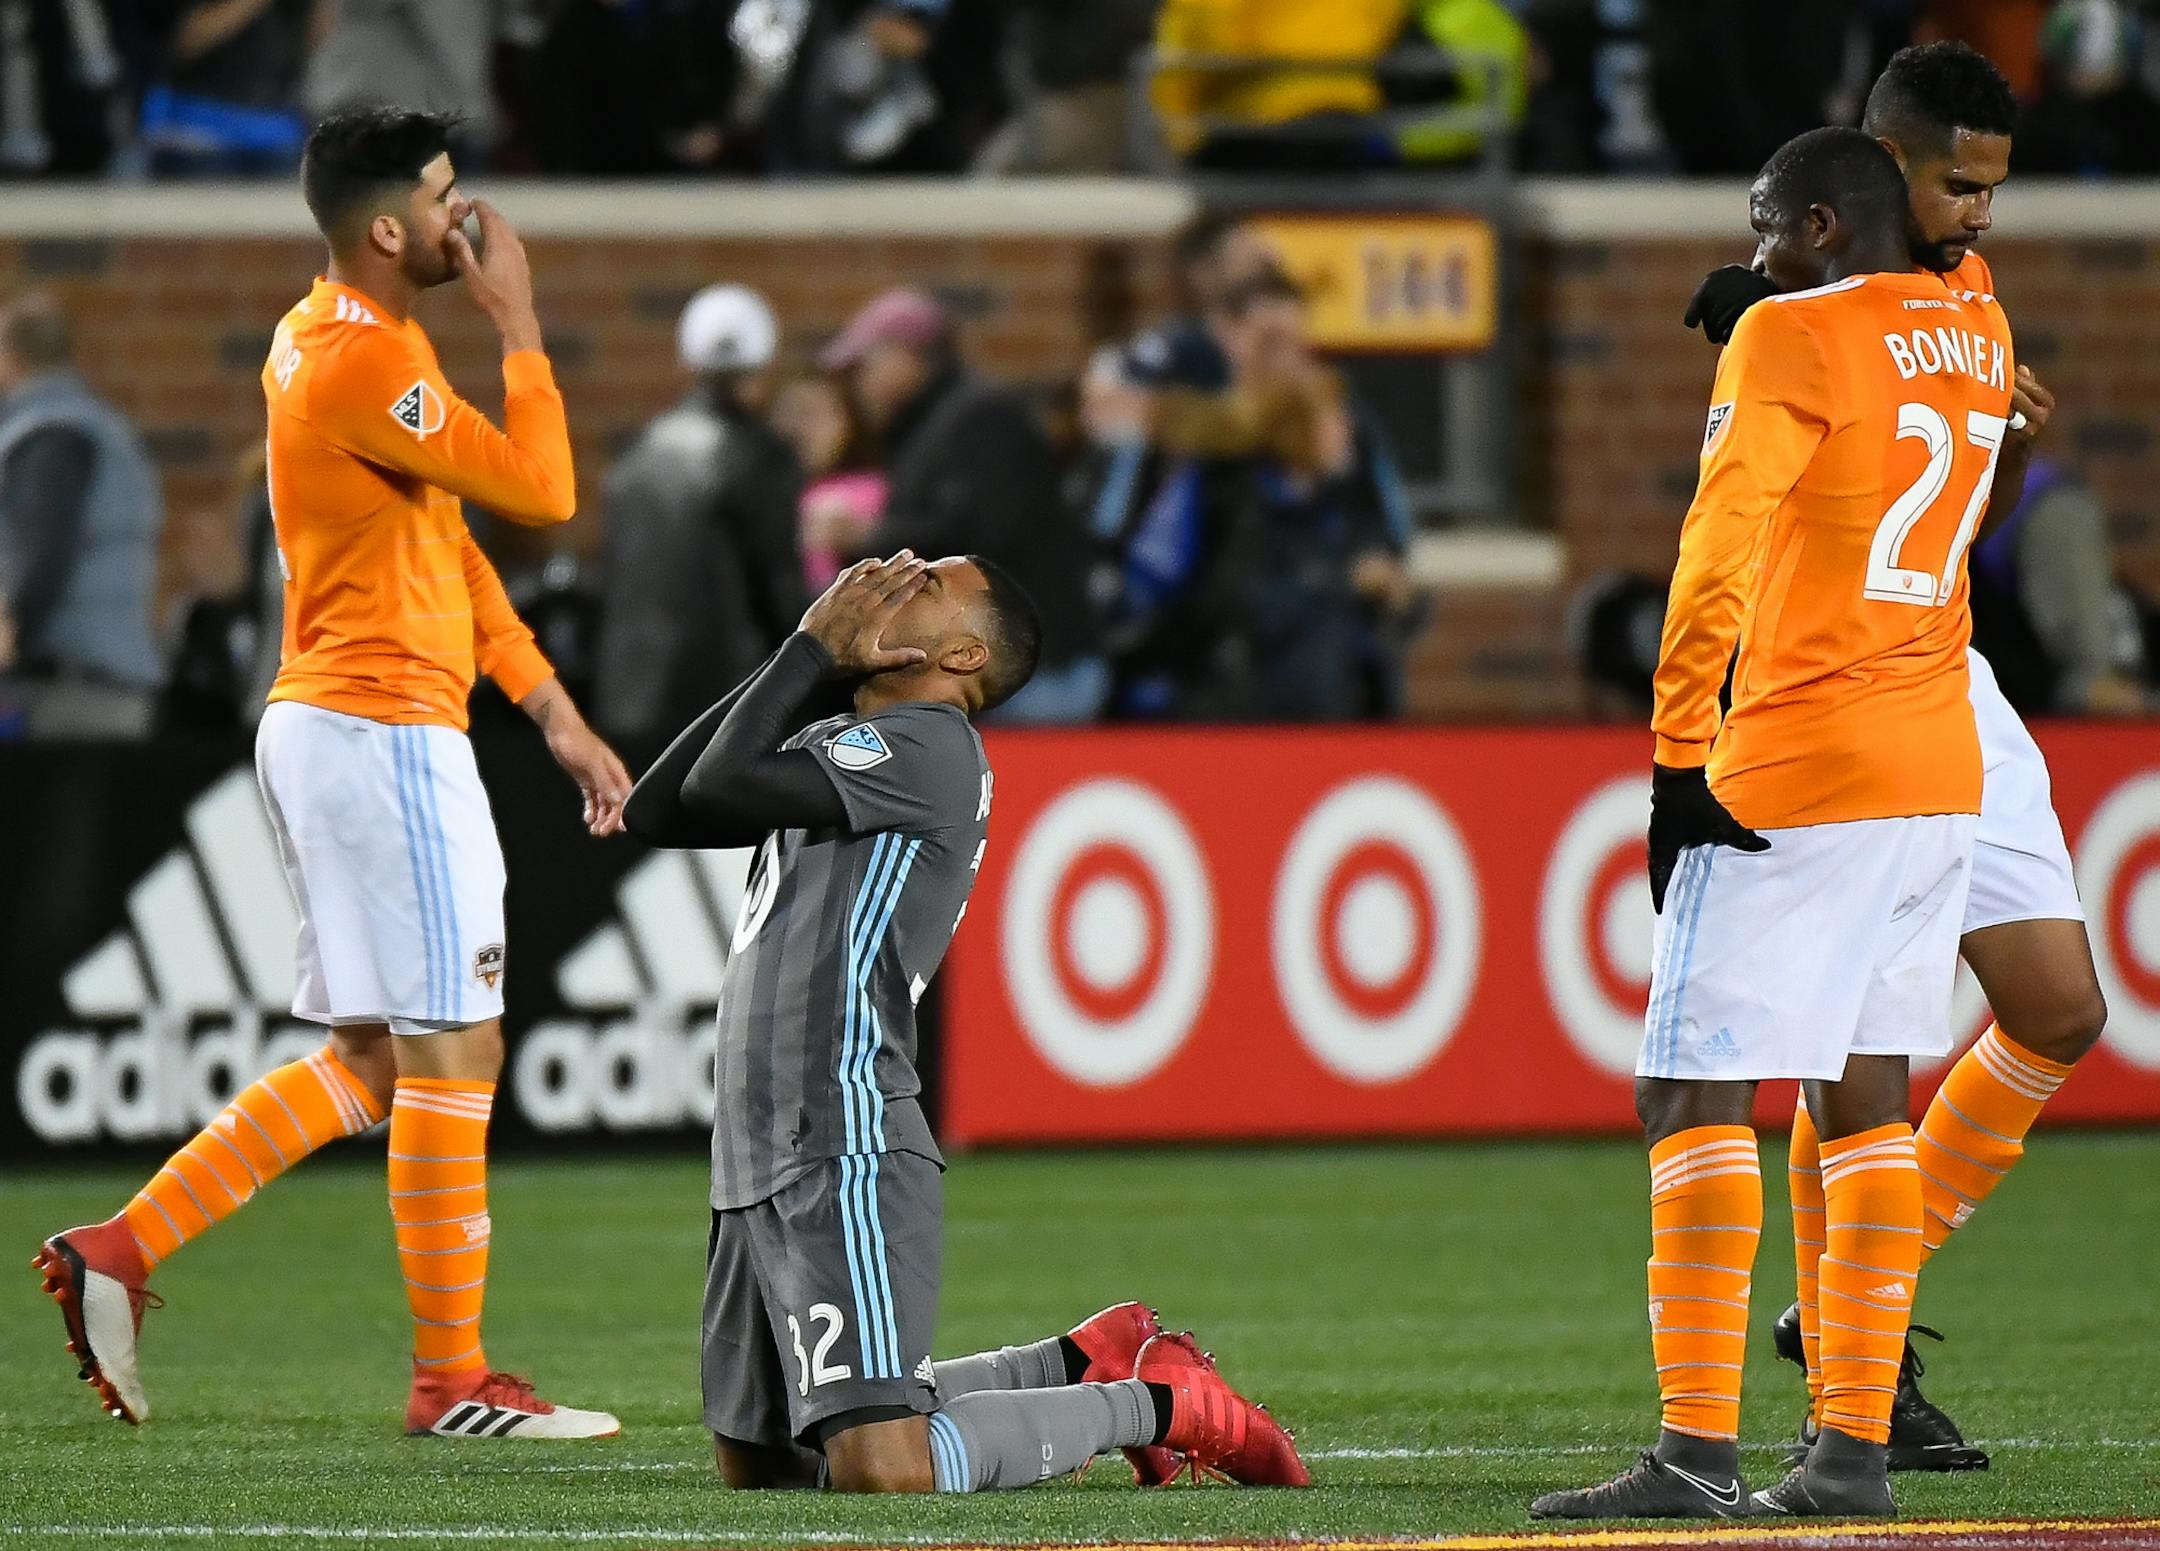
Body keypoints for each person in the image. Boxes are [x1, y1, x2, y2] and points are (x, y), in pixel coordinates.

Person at [32, 106, 633, 1441]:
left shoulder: (361, 344)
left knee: (374, 1056)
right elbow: (543, 491)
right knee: (456, 1042)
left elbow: (456, 545)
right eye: (444, 198)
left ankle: (121, 1248)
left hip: (352, 724)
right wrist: (521, 324)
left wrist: (548, 706)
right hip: (381, 734)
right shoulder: (359, 359)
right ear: (385, 229)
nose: (464, 220)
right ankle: (454, 1379)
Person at [1532, 126, 2016, 1521]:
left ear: (1817, 224)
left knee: (1688, 1089)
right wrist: (1789, 300)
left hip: (1798, 765)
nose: (1747, 254)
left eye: (1763, 227)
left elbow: (1716, 551)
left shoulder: (1787, 342)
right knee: (1866, 1099)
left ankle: (1694, 1454)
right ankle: (1853, 1450)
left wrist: (1681, 754)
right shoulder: (1980, 323)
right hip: (1934, 771)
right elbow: (1916, 321)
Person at [622, 550, 1309, 1494]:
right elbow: (662, 807)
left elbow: (712, 789)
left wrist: (809, 648)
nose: (889, 581)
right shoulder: (845, 740)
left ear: (962, 654)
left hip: (840, 1127)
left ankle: (1160, 1405)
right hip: (754, 1139)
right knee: (772, 1467)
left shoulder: (931, 745)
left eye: (926, 585)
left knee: (882, 1469)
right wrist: (812, 658)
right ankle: (1083, 1357)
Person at [1686, 40, 2107, 1477]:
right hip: (1841, 692)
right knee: (1849, 1058)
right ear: (1880, 164)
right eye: (1957, 183)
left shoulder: (1967, 296)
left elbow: (1967, 512)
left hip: (1947, 676)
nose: (1979, 213)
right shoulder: (1802, 279)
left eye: (1996, 188)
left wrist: (1995, 424)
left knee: (2057, 1008)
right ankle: (1856, 1372)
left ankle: (1841, 1306)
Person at [819, 288, 1103, 723]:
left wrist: (867, 536)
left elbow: (973, 541)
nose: (860, 385)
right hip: (995, 665)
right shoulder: (935, 424)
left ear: (908, 356)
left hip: (1033, 670)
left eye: (867, 365)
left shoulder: (979, 419)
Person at [591, 283, 807, 757]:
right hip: (726, 701)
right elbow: (778, 590)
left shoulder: (640, 453)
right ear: (766, 362)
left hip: (632, 697)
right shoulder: (761, 457)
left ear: (687, 363)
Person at [0, 290, 166, 739]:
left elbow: (41, 549)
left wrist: (12, 633)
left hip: (64, 690)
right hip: (112, 683)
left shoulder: (47, 432)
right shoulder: (104, 426)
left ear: (10, 353)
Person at [770, 370, 885, 594]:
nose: (799, 428)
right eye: (791, 412)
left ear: (847, 424)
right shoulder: (756, 490)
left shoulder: (871, 492)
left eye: (814, 414)